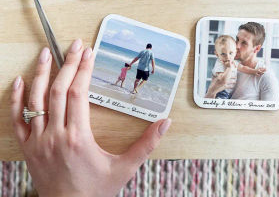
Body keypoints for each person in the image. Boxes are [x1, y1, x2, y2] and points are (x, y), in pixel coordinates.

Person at [10, 5, 279, 196]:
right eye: (234, 44)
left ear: (256, 47)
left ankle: (133, 91)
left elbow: (249, 76)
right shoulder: (222, 66)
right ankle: (131, 91)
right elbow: (220, 83)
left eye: (244, 44)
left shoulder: (262, 76)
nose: (237, 50)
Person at [10, 39, 171, 197]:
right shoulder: (150, 54)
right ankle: (136, 89)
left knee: (137, 78)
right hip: (44, 183)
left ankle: (134, 88)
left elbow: (135, 59)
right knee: (144, 79)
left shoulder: (142, 52)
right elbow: (153, 63)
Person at [206, 22, 279, 101]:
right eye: (237, 39)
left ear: (257, 48)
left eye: (244, 43)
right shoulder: (224, 65)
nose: (237, 46)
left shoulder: (266, 77)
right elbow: (206, 106)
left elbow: (269, 113)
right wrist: (212, 91)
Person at [210, 35, 266, 99]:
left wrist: (254, 71)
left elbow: (243, 68)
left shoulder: (233, 62)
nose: (228, 57)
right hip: (220, 92)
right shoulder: (220, 64)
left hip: (229, 93)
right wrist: (229, 68)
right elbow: (222, 80)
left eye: (230, 53)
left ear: (235, 52)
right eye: (223, 54)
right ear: (217, 54)